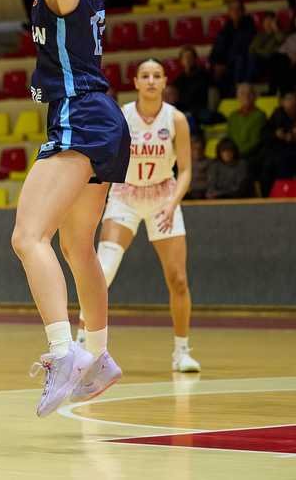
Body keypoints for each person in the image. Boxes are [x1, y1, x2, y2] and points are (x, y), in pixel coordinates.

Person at [0, 0, 162, 415]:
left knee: (27, 238)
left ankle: (63, 353)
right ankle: (98, 356)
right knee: (78, 247)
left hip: (79, 115)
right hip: (104, 120)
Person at [80, 59, 200, 372]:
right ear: (135, 82)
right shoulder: (122, 116)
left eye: (156, 76)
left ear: (165, 82)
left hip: (163, 197)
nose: (150, 81)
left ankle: (181, 351)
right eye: (144, 76)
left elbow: (186, 170)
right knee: (103, 270)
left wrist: (173, 203)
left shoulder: (176, 119)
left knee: (178, 279)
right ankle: (82, 341)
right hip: (126, 195)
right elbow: (105, 159)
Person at [258, 92, 296, 196]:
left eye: (294, 107)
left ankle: (287, 193)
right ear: (283, 105)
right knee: (266, 163)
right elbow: (265, 133)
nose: (291, 110)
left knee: (283, 162)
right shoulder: (278, 113)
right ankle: (266, 197)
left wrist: (294, 136)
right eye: (288, 108)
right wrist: (276, 134)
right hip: (279, 149)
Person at [209, 0, 256, 95]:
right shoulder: (226, 29)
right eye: (232, 9)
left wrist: (225, 63)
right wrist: (217, 63)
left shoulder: (249, 26)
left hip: (242, 62)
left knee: (240, 60)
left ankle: (239, 92)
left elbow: (242, 47)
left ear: (243, 12)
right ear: (229, 12)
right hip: (227, 63)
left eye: (238, 9)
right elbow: (217, 48)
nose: (235, 12)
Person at [173, 46, 214, 123]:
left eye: (190, 57)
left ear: (195, 59)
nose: (188, 60)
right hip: (184, 111)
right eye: (185, 58)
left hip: (200, 110)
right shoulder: (179, 80)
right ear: (181, 61)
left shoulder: (203, 75)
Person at [226, 83, 266, 161]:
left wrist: (238, 153)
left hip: (251, 156)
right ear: (237, 97)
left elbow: (256, 141)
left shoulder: (260, 115)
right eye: (242, 94)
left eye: (249, 93)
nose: (246, 96)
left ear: (255, 97)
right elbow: (229, 137)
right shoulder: (232, 116)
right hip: (233, 155)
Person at [247, 14, 286, 83]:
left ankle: (249, 81)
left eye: (270, 21)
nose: (267, 24)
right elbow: (251, 49)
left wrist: (276, 29)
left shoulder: (279, 33)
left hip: (269, 60)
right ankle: (247, 81)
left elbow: (270, 51)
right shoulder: (259, 35)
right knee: (246, 58)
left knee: (253, 58)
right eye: (265, 21)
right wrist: (259, 51)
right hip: (257, 58)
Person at [186, 133, 212, 200]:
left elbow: (211, 183)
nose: (197, 151)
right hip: (187, 195)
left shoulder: (210, 163)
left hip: (204, 194)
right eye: (194, 149)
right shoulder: (184, 163)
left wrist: (192, 187)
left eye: (200, 149)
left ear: (204, 149)